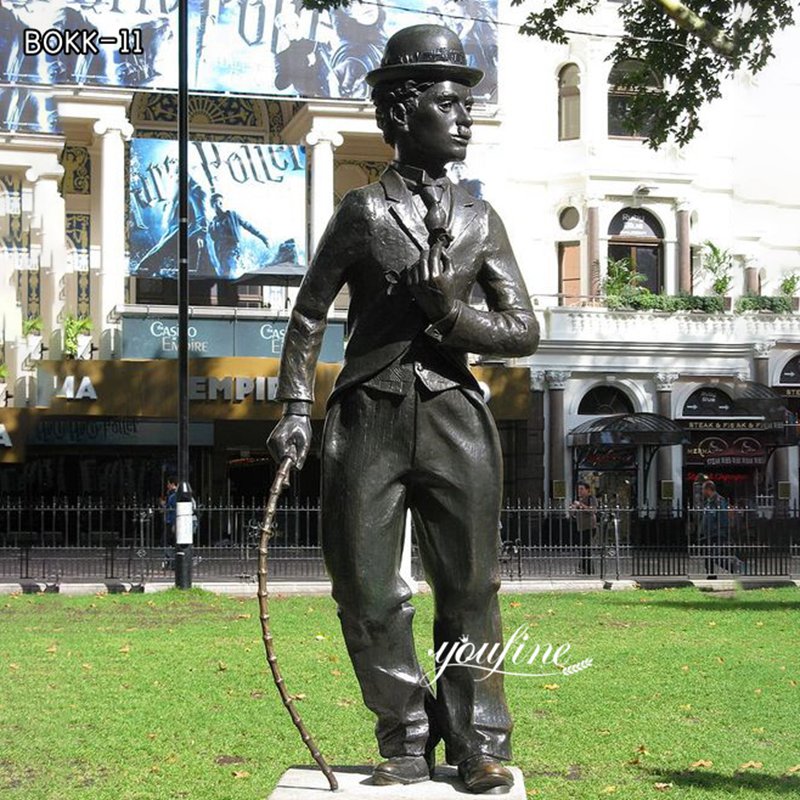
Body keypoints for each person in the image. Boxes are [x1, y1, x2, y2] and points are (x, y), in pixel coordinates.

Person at [267, 24, 538, 794]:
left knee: (470, 585)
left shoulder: (483, 222)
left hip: (455, 414)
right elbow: (309, 315)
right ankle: (405, 738)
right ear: (401, 109)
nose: (464, 119)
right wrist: (294, 405)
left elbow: (522, 331)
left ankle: (480, 743)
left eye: (469, 106)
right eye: (448, 104)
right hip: (368, 418)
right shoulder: (362, 212)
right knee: (366, 588)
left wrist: (448, 316)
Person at [207, 193, 271, 279]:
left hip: (232, 250)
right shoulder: (213, 223)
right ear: (212, 205)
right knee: (224, 275)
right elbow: (213, 239)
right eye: (217, 202)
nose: (220, 205)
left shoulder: (232, 216)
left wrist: (263, 237)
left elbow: (248, 226)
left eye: (221, 202)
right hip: (221, 253)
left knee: (231, 274)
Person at [699, 480, 742, 576]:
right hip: (708, 534)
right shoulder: (708, 502)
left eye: (703, 489)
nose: (702, 491)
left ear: (708, 489)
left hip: (717, 533)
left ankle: (733, 569)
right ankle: (710, 574)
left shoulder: (719, 501)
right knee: (707, 555)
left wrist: (723, 531)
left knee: (716, 556)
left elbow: (723, 517)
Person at [570, 480, 598, 575]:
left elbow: (593, 510)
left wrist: (580, 505)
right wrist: (573, 509)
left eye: (582, 489)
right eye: (578, 489)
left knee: (587, 549)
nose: (580, 491)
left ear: (587, 490)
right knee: (582, 548)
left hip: (589, 527)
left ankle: (589, 569)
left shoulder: (591, 498)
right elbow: (573, 514)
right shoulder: (580, 500)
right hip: (581, 527)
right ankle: (583, 567)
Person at [161, 476, 177, 570]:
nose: (167, 486)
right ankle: (170, 561)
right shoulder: (171, 494)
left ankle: (172, 561)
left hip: (171, 521)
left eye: (168, 484)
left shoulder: (174, 495)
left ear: (172, 484)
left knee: (167, 541)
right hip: (169, 520)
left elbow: (175, 510)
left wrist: (175, 523)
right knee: (169, 542)